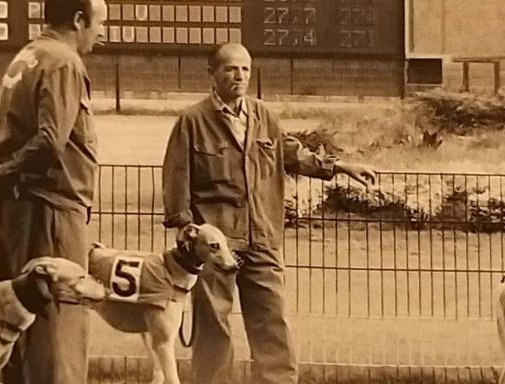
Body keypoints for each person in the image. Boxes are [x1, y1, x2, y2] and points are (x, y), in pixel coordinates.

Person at [161, 43, 376, 384]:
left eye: (245, 69)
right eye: (231, 69)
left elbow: (295, 155)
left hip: (262, 237)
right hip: (216, 243)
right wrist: (186, 229)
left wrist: (341, 166)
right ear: (212, 74)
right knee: (213, 327)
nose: (239, 76)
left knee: (272, 323)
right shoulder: (192, 121)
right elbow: (176, 176)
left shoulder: (263, 116)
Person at [0, 0, 106, 383]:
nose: (100, 33)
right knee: (58, 319)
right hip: (50, 207)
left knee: (17, 316)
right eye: (99, 23)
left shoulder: (26, 56)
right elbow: (50, 140)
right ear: (79, 19)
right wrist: (4, 173)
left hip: (16, 206)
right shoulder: (63, 60)